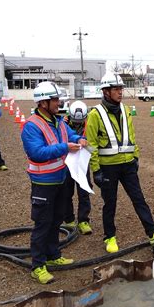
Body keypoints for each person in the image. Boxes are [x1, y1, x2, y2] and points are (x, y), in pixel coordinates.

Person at [86, 72, 154, 253]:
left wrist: (135, 157)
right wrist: (96, 170)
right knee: (110, 204)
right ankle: (109, 237)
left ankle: (153, 232)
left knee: (139, 199)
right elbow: (91, 144)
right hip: (107, 168)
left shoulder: (126, 111)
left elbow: (132, 137)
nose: (120, 92)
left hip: (127, 165)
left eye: (121, 89)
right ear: (106, 92)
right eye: (116, 89)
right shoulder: (95, 114)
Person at [21, 81, 87, 284]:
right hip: (43, 183)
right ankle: (38, 266)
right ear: (43, 103)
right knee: (43, 223)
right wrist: (64, 147)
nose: (58, 103)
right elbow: (37, 153)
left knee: (57, 219)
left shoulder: (58, 121)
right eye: (55, 100)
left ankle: (54, 256)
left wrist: (80, 139)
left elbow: (70, 134)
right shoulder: (32, 125)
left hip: (60, 179)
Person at [62, 100, 93, 235]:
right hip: (67, 162)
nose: (78, 124)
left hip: (82, 162)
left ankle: (83, 220)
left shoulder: (90, 124)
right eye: (75, 121)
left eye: (80, 122)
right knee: (66, 192)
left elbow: (94, 140)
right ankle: (69, 219)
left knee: (84, 191)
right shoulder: (62, 124)